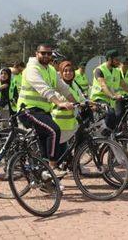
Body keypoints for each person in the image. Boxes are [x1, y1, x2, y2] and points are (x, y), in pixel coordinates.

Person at [17, 44, 75, 176]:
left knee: (45, 141)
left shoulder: (50, 70)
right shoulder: (32, 69)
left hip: (42, 111)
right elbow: (44, 89)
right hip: (28, 110)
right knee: (54, 131)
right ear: (36, 53)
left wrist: (77, 102)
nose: (46, 56)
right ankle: (52, 167)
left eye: (49, 54)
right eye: (43, 53)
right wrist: (60, 103)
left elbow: (63, 88)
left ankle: (43, 176)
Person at [90, 50, 128, 130]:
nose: (118, 62)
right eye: (116, 60)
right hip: (99, 99)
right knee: (111, 114)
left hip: (110, 101)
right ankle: (103, 137)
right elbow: (103, 85)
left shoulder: (116, 71)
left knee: (115, 120)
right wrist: (113, 95)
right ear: (109, 59)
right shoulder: (99, 70)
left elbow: (124, 86)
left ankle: (107, 138)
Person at [53, 61, 87, 156]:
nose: (68, 73)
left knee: (67, 146)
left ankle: (72, 163)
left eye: (71, 71)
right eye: (65, 71)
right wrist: (77, 103)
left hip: (70, 121)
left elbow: (81, 97)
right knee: (58, 147)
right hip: (59, 121)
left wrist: (90, 103)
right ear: (61, 72)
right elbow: (61, 99)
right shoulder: (59, 85)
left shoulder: (74, 84)